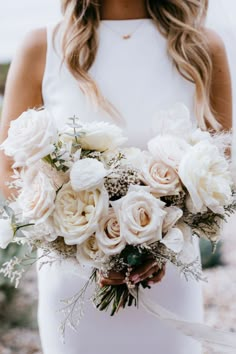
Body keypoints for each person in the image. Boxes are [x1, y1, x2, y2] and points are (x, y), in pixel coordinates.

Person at [0, 0, 232, 353]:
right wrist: (87, 245)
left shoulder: (201, 46)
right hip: (73, 279)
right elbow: (8, 167)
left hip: (169, 275)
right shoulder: (42, 46)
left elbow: (222, 167)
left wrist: (153, 245)